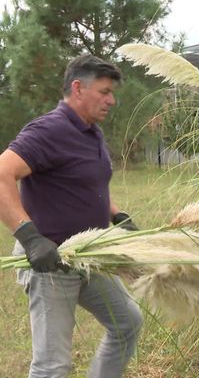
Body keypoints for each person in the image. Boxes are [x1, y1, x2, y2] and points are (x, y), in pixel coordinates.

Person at [0, 54, 143, 377]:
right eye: (104, 92)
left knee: (127, 322)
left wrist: (117, 214)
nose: (112, 100)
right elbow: (2, 173)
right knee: (53, 365)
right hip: (50, 260)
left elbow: (85, 183)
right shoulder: (49, 130)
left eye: (112, 93)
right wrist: (29, 237)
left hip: (88, 254)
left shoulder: (91, 131)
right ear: (78, 88)